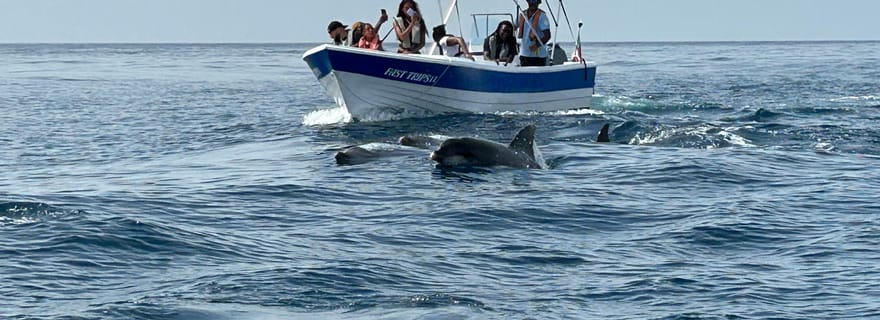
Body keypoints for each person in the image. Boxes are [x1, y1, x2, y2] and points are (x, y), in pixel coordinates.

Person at [517, 0, 551, 66]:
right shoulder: (522, 14)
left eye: (535, 0)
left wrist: (537, 45)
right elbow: (514, 26)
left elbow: (547, 35)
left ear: (538, 2)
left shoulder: (542, 16)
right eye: (531, 0)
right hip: (524, 54)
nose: (532, 3)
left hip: (538, 56)